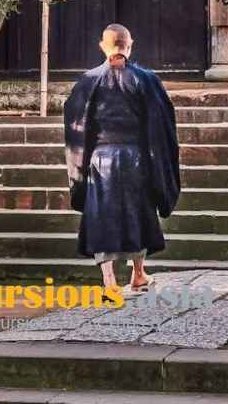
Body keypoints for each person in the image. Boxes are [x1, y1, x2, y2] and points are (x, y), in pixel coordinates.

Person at [62, 23, 181, 292]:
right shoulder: (147, 79)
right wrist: (158, 162)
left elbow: (75, 124)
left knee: (100, 216)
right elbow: (162, 123)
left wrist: (81, 165)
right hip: (136, 158)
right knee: (138, 212)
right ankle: (138, 273)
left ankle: (109, 282)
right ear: (129, 44)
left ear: (103, 46)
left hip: (100, 160)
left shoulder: (89, 81)